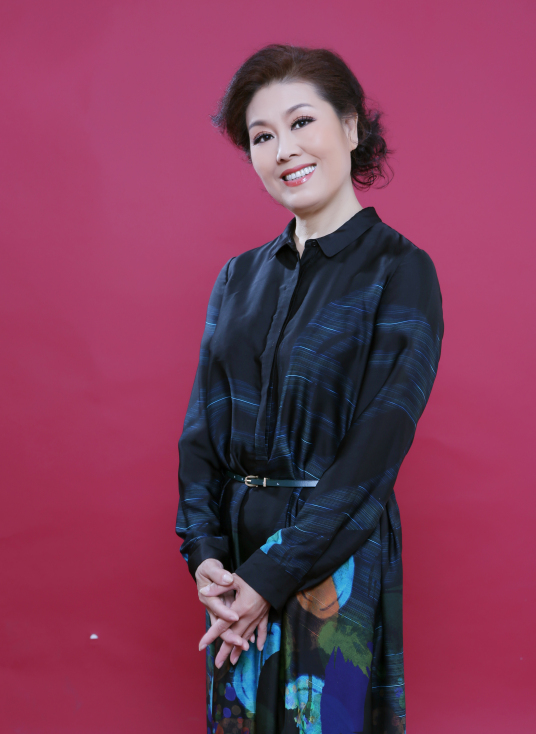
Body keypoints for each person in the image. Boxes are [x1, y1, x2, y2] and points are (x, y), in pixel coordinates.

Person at [176, 44, 444, 734]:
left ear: (351, 127)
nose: (283, 150)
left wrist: (269, 579)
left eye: (301, 123)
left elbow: (375, 452)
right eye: (262, 136)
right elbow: (201, 435)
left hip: (334, 558)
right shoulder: (238, 278)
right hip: (235, 567)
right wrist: (207, 558)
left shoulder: (401, 271)